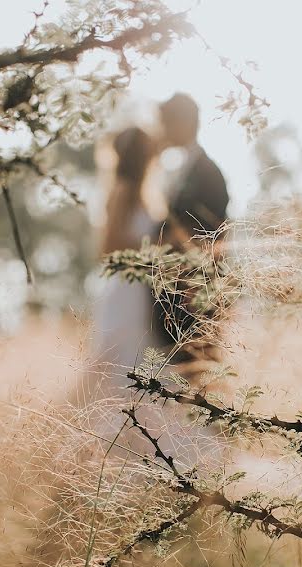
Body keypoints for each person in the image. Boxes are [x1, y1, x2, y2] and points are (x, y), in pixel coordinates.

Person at [153, 93, 230, 367]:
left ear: (183, 123)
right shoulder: (180, 168)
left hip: (194, 296)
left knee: (197, 375)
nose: (161, 130)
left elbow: (215, 237)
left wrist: (195, 287)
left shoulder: (209, 173)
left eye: (165, 122)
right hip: (174, 296)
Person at [90, 126, 162, 395]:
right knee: (124, 362)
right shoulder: (121, 191)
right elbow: (107, 248)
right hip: (125, 291)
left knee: (142, 360)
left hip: (140, 291)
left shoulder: (144, 195)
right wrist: (152, 248)